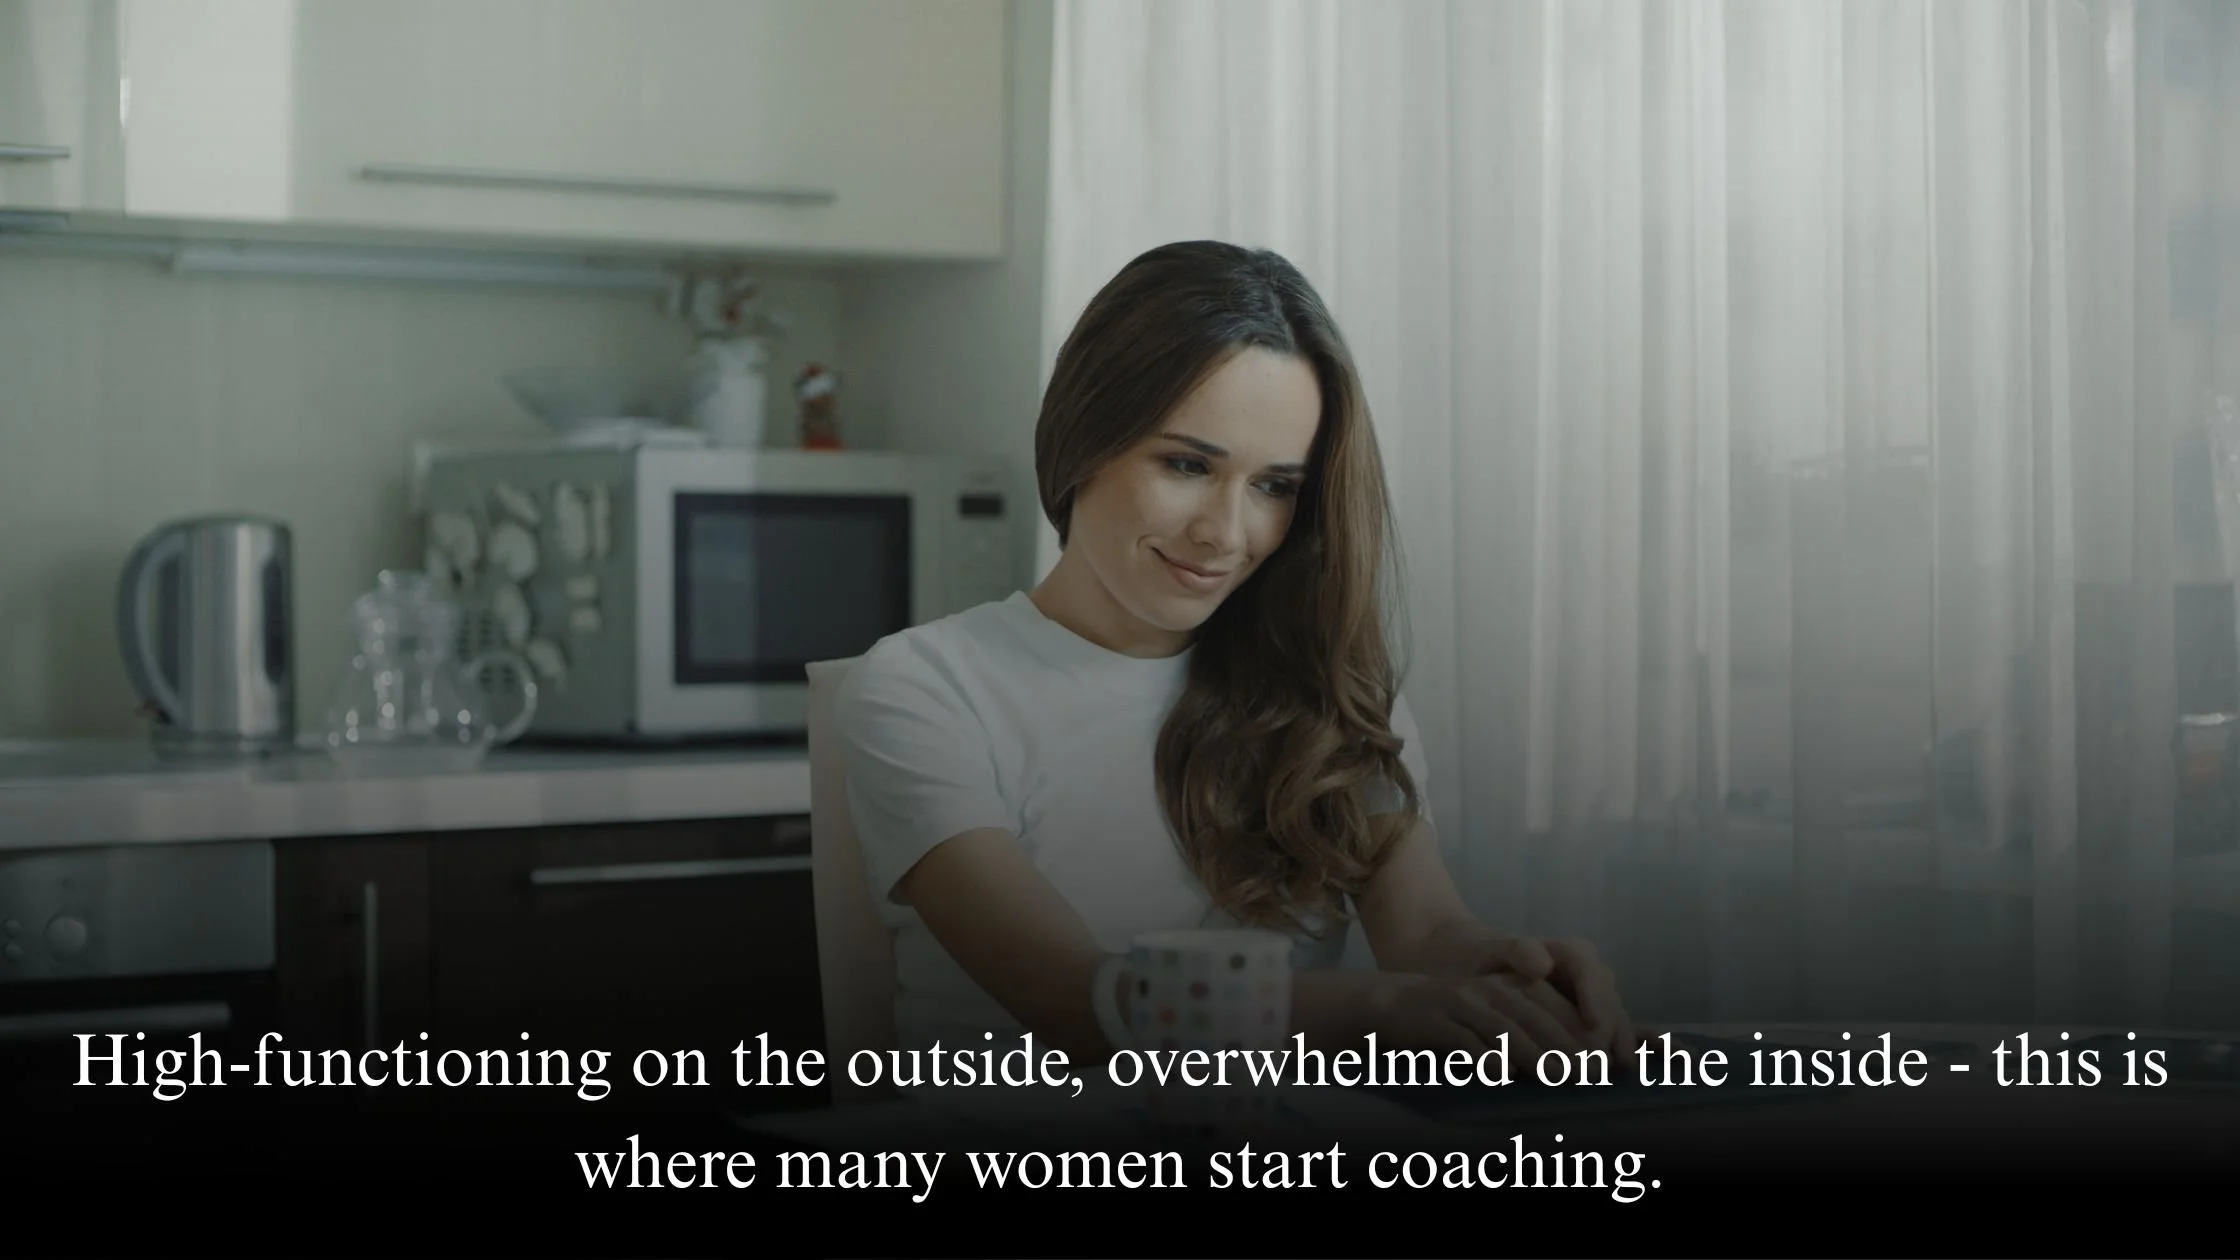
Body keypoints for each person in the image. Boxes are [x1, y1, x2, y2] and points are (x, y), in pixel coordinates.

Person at [836, 240, 1635, 1066]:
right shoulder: (923, 687)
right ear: (1083, 434)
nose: (1225, 533)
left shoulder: (1324, 684)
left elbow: (1428, 932)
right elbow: (1073, 1001)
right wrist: (1380, 1008)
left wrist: (1506, 975)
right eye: (1186, 464)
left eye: (1275, 487)